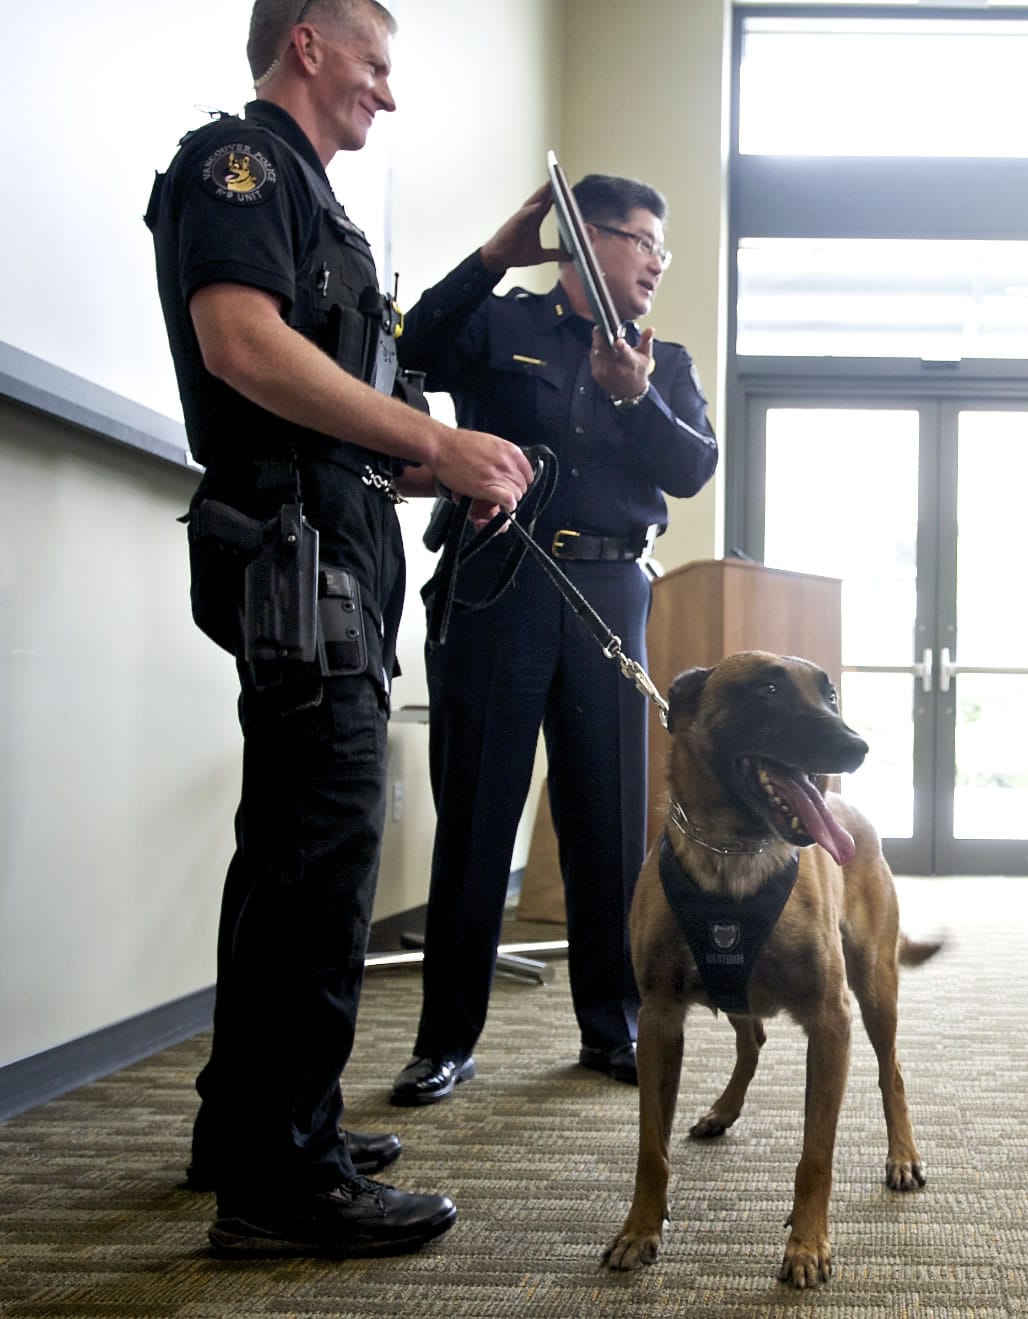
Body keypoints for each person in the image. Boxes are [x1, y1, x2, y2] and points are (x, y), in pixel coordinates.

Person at [147, 0, 536, 1255]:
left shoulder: (323, 210)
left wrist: (447, 464)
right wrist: (432, 436)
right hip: (291, 557)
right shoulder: (241, 164)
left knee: (285, 859)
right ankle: (284, 1182)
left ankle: (253, 1122)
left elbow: (344, 407)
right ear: (306, 40)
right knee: (322, 865)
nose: (390, 91)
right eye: (375, 63)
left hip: (336, 550)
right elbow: (242, 344)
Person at [388, 178, 719, 1105]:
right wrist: (495, 254)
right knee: (478, 816)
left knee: (608, 822)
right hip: (497, 580)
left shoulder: (666, 361)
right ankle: (445, 1040)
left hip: (612, 591)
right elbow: (410, 347)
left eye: (665, 248)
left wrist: (636, 398)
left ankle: (610, 1028)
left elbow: (692, 466)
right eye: (643, 240)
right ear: (587, 240)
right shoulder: (503, 326)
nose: (656, 261)